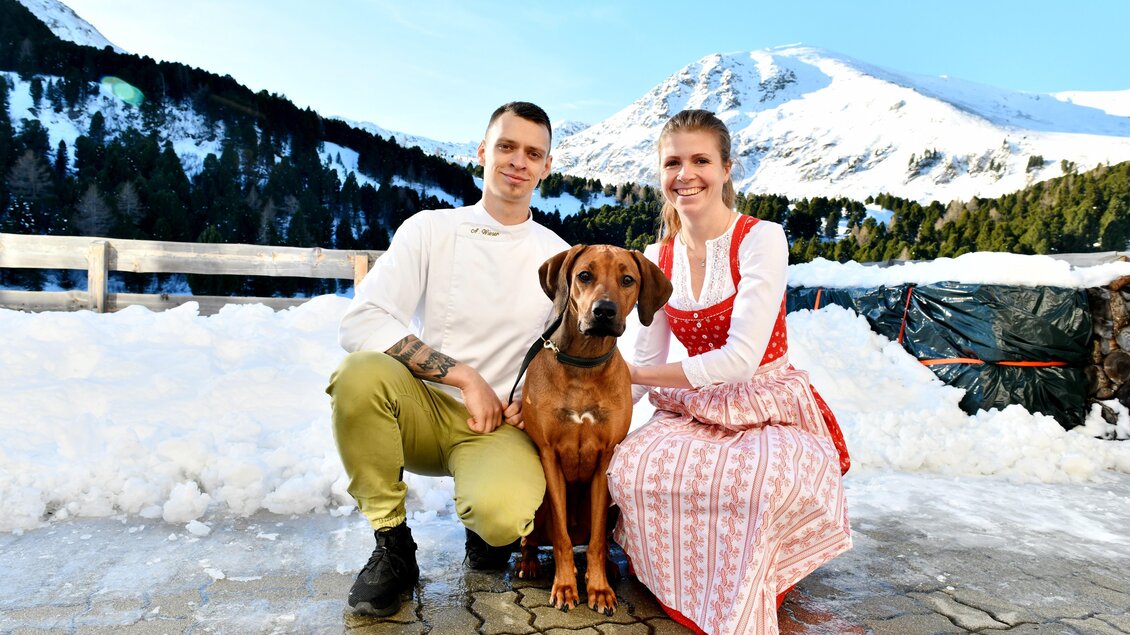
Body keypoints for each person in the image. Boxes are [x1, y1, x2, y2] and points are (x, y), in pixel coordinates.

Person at [607, 109, 852, 635]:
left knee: (759, 481)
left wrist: (634, 376)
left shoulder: (760, 237)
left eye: (701, 160)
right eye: (673, 162)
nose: (685, 174)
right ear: (660, 172)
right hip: (696, 407)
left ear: (725, 169)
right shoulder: (658, 254)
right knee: (633, 467)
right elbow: (645, 358)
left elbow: (740, 359)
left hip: (765, 400)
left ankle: (754, 581)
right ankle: (679, 582)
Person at [326, 101, 569, 617]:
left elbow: (563, 355)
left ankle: (487, 528)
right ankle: (393, 547)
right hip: (419, 410)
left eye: (532, 153)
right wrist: (463, 376)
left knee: (501, 517)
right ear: (482, 152)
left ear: (546, 167)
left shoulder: (559, 257)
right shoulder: (430, 230)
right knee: (358, 375)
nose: (517, 162)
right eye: (506, 147)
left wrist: (535, 400)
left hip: (497, 426)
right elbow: (361, 322)